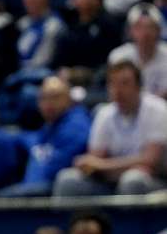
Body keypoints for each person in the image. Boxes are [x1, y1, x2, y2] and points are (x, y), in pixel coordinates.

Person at [53, 60, 167, 197]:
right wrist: (96, 165)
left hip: (155, 183)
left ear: (138, 87)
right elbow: (93, 161)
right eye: (113, 84)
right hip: (110, 182)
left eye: (124, 84)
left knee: (132, 180)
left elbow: (150, 161)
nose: (118, 90)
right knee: (68, 180)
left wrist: (102, 165)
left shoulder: (158, 109)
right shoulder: (103, 113)